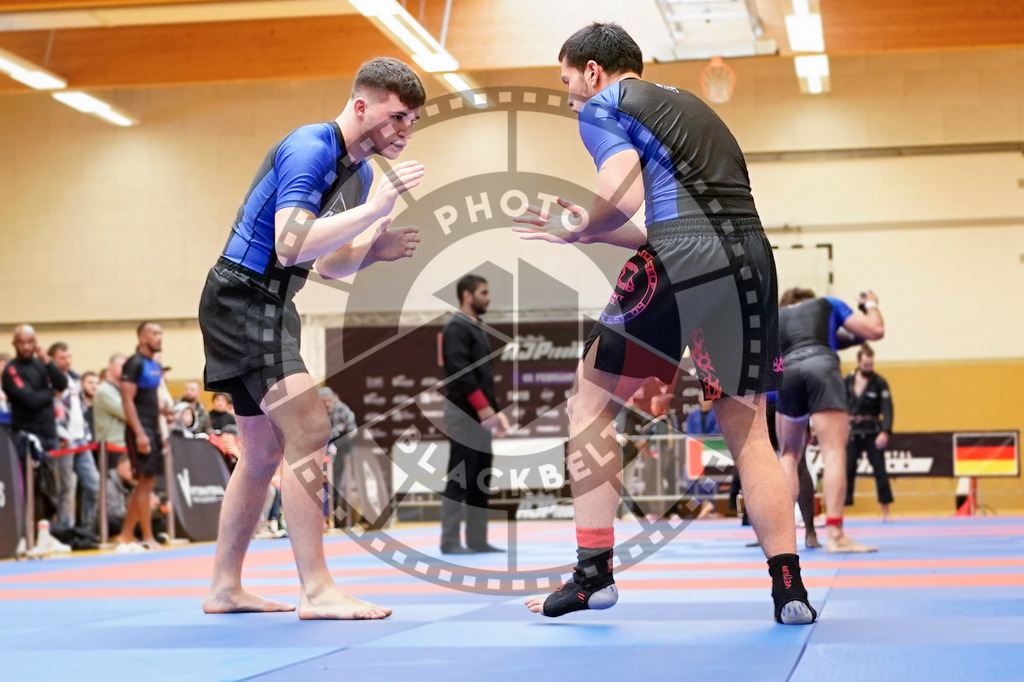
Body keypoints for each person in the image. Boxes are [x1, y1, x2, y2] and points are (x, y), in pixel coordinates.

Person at [514, 23, 815, 624]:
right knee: (750, 428)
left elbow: (622, 199)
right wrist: (585, 225)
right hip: (751, 258)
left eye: (569, 81)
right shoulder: (694, 108)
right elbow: (657, 220)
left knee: (590, 403)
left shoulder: (606, 104)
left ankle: (592, 574)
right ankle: (790, 591)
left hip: (683, 255)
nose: (572, 95)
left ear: (593, 71)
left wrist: (580, 225)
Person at [198, 57, 425, 620]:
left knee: (261, 453)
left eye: (413, 121)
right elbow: (288, 244)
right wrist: (372, 214)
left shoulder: (362, 172)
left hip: (272, 302)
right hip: (244, 296)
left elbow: (327, 267)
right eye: (397, 117)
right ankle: (317, 589)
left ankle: (223, 586)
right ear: (361, 107)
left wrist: (371, 248)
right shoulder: (311, 147)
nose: (404, 131)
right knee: (311, 426)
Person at [775, 288, 884, 553]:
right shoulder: (828, 304)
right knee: (833, 452)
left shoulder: (774, 317)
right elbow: (874, 331)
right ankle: (835, 534)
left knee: (788, 454)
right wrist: (870, 305)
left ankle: (780, 536)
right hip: (821, 367)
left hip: (787, 374)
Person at [440, 274, 509, 554]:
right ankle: (450, 540)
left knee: (481, 477)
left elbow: (482, 377)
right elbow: (461, 374)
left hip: (479, 416)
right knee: (460, 477)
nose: (487, 297)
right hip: (464, 415)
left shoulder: (476, 328)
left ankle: (477, 539)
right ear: (467, 295)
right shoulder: (457, 327)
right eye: (483, 292)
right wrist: (483, 408)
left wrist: (495, 412)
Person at [3, 326, 68, 523]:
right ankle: (26, 533)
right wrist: (51, 393)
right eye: (21, 342)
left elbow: (62, 383)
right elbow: (29, 399)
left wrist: (47, 360)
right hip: (27, 436)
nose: (25, 347)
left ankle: (50, 530)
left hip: (49, 433)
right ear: (14, 344)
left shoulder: (41, 364)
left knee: (53, 488)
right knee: (31, 488)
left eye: (30, 342)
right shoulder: (11, 370)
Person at [115, 321, 167, 550]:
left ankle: (126, 534)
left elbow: (150, 400)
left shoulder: (153, 365)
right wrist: (140, 433)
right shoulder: (134, 364)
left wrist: (159, 427)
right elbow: (127, 401)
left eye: (160, 333)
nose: (159, 337)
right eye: (154, 333)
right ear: (141, 337)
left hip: (152, 429)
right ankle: (147, 536)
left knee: (147, 483)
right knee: (144, 484)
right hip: (140, 430)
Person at [50, 342, 101, 530]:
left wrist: (86, 433)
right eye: (62, 358)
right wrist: (62, 435)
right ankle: (65, 528)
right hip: (64, 439)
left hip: (81, 439)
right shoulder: (50, 381)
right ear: (52, 360)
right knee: (67, 488)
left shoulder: (75, 379)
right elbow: (53, 410)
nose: (67, 361)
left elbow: (81, 409)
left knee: (93, 482)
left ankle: (88, 526)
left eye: (69, 357)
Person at [845, 343, 895, 520]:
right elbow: (839, 405)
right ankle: (841, 512)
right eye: (866, 365)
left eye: (871, 365)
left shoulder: (879, 382)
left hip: (873, 431)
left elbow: (887, 408)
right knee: (847, 469)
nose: (869, 368)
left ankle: (885, 512)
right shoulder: (847, 381)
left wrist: (885, 431)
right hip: (852, 432)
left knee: (880, 471)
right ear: (858, 362)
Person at [93, 353, 128, 469]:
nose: (125, 369)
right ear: (110, 367)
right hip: (112, 447)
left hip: (124, 445)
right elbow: (126, 412)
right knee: (112, 485)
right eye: (121, 365)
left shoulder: (122, 389)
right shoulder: (104, 390)